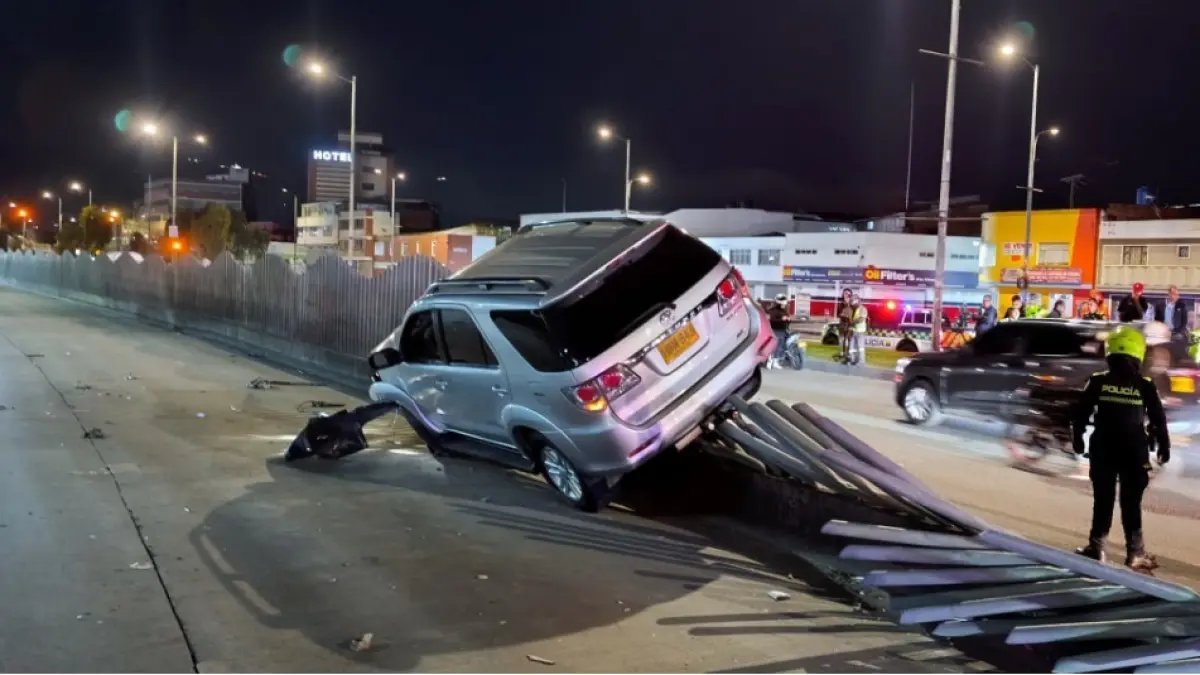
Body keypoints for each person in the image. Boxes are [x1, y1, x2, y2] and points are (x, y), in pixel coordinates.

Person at [1071, 326, 1170, 570]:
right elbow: (1158, 419)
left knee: (1102, 500)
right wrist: (1163, 445)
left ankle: (1097, 548)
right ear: (1139, 354)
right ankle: (1135, 553)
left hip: (1103, 449)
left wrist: (1078, 438)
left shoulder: (1098, 382)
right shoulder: (1145, 385)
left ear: (1109, 353)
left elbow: (1081, 414)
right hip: (1133, 452)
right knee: (1131, 503)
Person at [766, 293, 790, 370]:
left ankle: (775, 361)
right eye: (782, 302)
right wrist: (781, 319)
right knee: (775, 346)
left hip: (783, 330)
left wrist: (788, 320)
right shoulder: (773, 310)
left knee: (780, 347)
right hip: (775, 330)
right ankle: (770, 361)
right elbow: (772, 320)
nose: (784, 304)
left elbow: (787, 319)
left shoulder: (784, 310)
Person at [847, 294, 868, 365]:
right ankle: (852, 360)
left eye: (853, 301)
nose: (852, 303)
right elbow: (851, 321)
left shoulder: (863, 309)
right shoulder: (854, 309)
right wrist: (850, 329)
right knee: (852, 347)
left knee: (860, 347)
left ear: (857, 301)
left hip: (860, 331)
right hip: (854, 331)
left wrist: (853, 322)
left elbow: (861, 319)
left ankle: (861, 362)